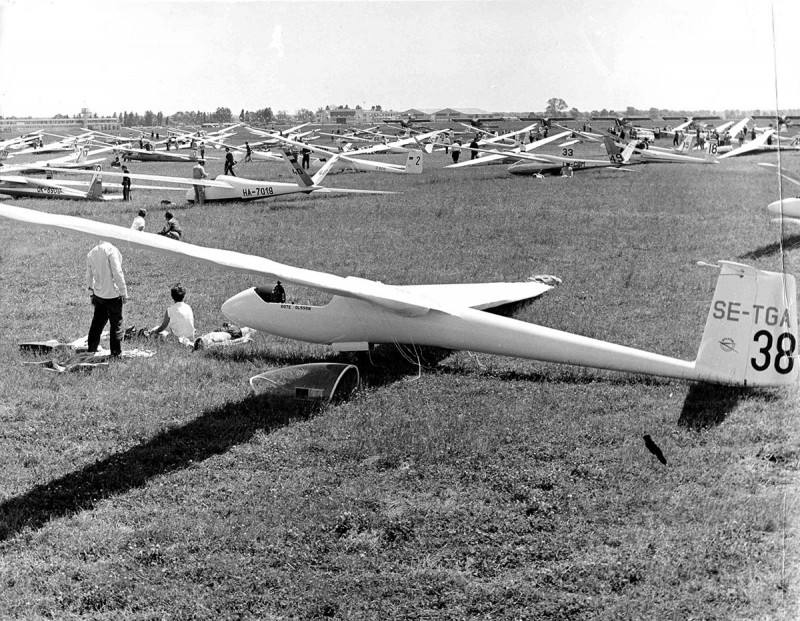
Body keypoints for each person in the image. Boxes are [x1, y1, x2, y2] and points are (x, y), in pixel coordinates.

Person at [86, 241, 128, 357]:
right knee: (116, 324)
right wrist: (123, 291)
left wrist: (91, 292)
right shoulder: (111, 250)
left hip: (98, 294)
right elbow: (117, 272)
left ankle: (91, 348)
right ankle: (115, 353)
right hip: (112, 294)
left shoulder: (92, 252)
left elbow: (89, 275)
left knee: (97, 323)